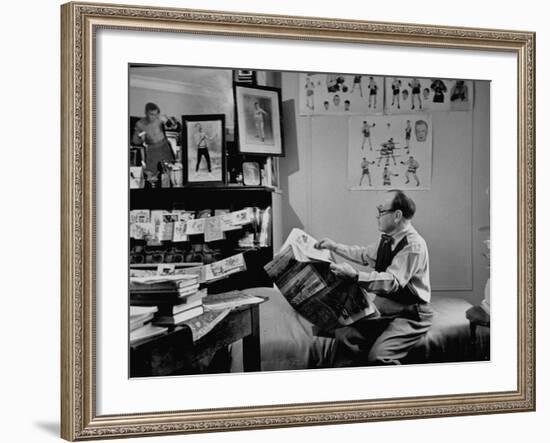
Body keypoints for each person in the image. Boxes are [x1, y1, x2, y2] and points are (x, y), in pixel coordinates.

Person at [314, 190, 432, 366]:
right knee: (345, 334)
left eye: (381, 211)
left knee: (378, 357)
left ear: (397, 215)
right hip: (386, 308)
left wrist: (355, 276)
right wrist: (334, 246)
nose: (377, 216)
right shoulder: (387, 239)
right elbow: (363, 254)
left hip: (410, 314)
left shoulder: (413, 245)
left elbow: (391, 282)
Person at [132, 102, 175, 176]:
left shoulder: (160, 118)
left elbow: (174, 127)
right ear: (146, 113)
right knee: (152, 175)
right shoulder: (140, 124)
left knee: (169, 172)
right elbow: (135, 141)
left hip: (164, 146)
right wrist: (141, 139)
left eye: (156, 113)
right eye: (152, 114)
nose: (155, 116)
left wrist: (170, 121)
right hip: (152, 150)